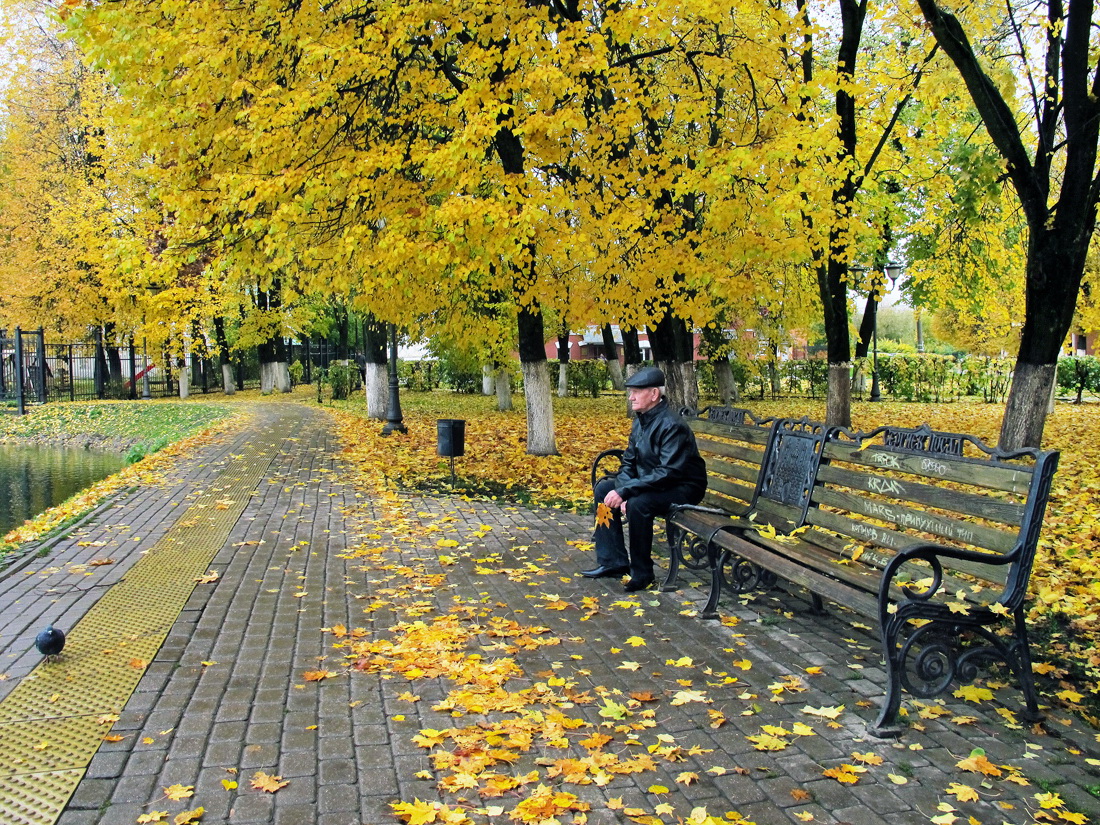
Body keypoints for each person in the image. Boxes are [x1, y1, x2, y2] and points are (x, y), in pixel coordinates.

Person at [583, 367, 707, 592]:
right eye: (630, 392)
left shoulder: (672, 425)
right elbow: (628, 463)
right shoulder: (640, 421)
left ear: (653, 394)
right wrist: (622, 490)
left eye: (636, 392)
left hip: (683, 487)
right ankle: (613, 562)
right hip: (654, 482)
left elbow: (668, 472)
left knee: (640, 504)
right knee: (604, 490)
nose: (630, 397)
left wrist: (628, 493)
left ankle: (642, 573)